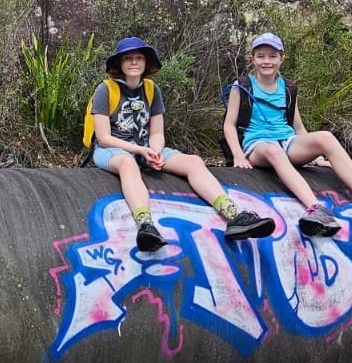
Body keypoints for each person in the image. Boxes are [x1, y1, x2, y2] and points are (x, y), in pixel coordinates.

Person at [89, 36, 276, 252]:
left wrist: (155, 151)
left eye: (138, 58)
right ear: (119, 64)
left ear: (146, 63)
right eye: (128, 58)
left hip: (146, 148)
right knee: (127, 164)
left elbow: (157, 132)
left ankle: (235, 215)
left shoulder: (151, 90)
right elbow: (103, 137)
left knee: (194, 162)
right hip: (112, 150)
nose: (133, 63)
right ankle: (145, 225)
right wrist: (140, 150)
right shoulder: (105, 89)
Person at [223, 32, 352, 237]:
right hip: (258, 145)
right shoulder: (241, 86)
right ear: (253, 59)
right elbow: (229, 125)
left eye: (272, 56)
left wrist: (318, 156)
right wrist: (238, 155)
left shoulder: (288, 88)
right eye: (261, 56)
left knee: (326, 137)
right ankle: (315, 208)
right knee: (273, 151)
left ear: (281, 59)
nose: (266, 61)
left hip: (287, 141)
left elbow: (298, 126)